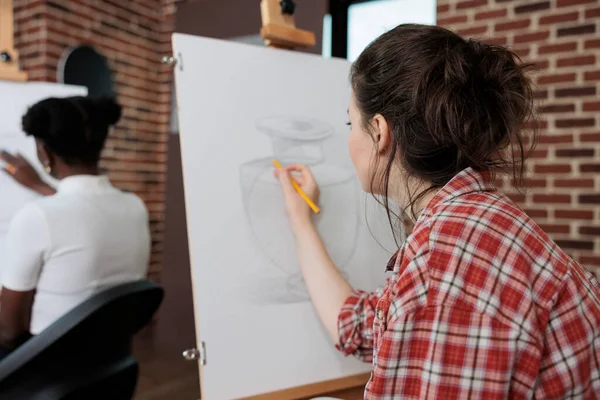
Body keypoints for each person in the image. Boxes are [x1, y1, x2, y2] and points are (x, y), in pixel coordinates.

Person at [275, 24, 600, 398]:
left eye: (351, 123)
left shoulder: (445, 264)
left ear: (379, 132)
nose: (349, 137)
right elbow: (360, 326)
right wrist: (302, 223)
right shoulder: (475, 220)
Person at [0, 96, 150, 356]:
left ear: (44, 152)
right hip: (107, 361)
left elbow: (9, 330)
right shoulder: (135, 206)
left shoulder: (36, 217)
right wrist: (39, 186)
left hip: (47, 368)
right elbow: (83, 213)